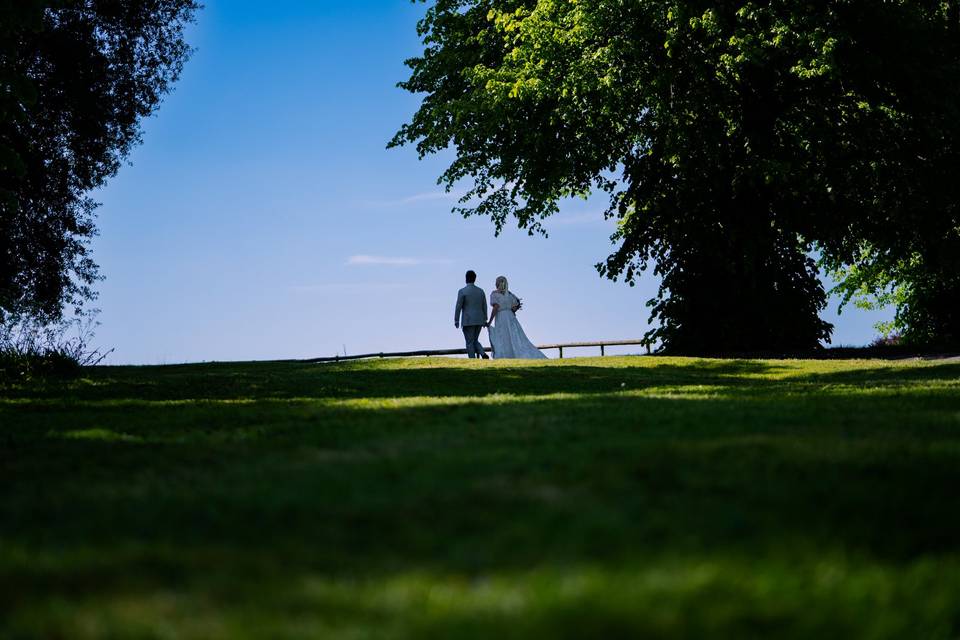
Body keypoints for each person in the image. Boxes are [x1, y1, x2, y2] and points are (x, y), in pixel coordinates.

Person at [487, 275, 547, 359]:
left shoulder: (494, 294)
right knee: (514, 336)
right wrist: (512, 310)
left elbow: (496, 307)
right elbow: (517, 303)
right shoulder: (510, 294)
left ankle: (507, 355)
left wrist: (490, 321)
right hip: (510, 316)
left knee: (504, 336)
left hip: (501, 317)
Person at [454, 270, 489, 359]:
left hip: (468, 320)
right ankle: (483, 353)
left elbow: (458, 306)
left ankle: (472, 359)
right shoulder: (481, 291)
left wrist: (456, 320)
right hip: (479, 319)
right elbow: (484, 305)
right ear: (475, 279)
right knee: (475, 340)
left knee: (469, 342)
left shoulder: (462, 291)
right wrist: (485, 319)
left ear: (466, 278)